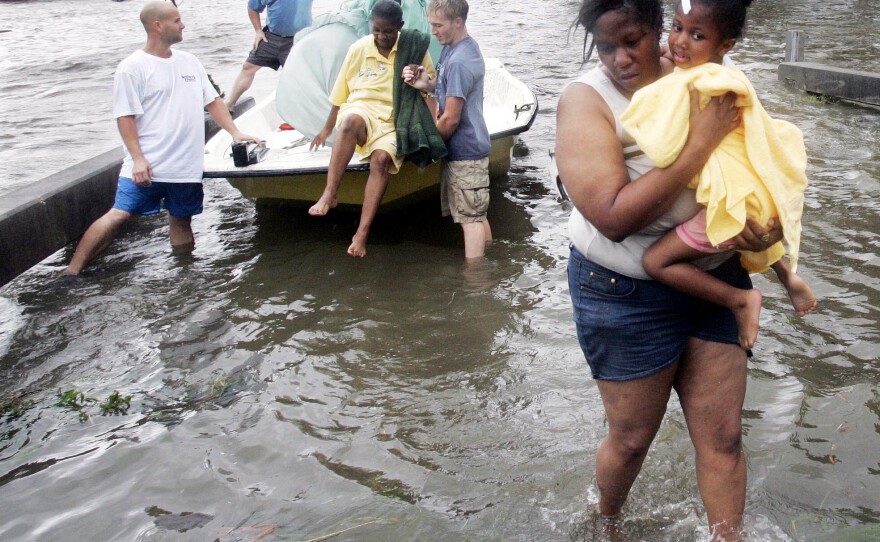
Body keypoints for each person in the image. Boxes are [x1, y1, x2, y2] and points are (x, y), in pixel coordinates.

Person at [555, 0, 783, 539]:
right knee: (632, 440)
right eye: (605, 46)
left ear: (657, 27)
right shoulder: (586, 100)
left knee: (724, 439)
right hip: (621, 289)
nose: (619, 58)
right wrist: (698, 144)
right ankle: (604, 525)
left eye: (631, 41)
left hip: (714, 276)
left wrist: (761, 226)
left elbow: (757, 159)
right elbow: (612, 217)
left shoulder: (698, 69)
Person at [630, 0, 816, 350]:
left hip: (737, 198)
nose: (681, 42)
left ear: (725, 45)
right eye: (676, 28)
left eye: (696, 35)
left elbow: (666, 144)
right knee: (752, 235)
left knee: (656, 261)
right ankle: (787, 274)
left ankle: (740, 300)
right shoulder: (721, 73)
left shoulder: (707, 83)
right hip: (754, 193)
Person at [60, 1, 259, 277]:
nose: (183, 25)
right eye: (177, 20)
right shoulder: (132, 67)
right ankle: (71, 272)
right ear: (158, 26)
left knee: (181, 221)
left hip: (185, 166)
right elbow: (125, 117)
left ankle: (185, 274)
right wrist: (138, 159)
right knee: (119, 214)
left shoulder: (190, 62)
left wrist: (235, 132)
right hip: (148, 164)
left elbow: (212, 101)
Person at [308, 0, 435, 258]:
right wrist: (325, 130)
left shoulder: (413, 49)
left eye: (387, 31)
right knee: (349, 122)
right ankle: (330, 193)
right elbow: (339, 94)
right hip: (362, 111)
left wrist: (432, 125)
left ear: (399, 27)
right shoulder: (358, 49)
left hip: (393, 118)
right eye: (376, 30)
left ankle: (362, 233)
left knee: (380, 160)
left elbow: (432, 89)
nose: (381, 36)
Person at [403, 0, 492, 259]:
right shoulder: (454, 48)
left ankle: (475, 280)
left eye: (438, 25)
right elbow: (448, 90)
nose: (433, 32)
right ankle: (489, 260)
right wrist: (427, 84)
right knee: (476, 214)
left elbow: (451, 118)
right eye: (432, 25)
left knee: (469, 220)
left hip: (466, 152)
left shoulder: (460, 61)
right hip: (469, 148)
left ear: (458, 22)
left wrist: (430, 147)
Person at [224, 0, 314, 111]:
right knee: (248, 67)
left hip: (297, 39)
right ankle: (229, 104)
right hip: (270, 37)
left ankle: (300, 111)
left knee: (297, 77)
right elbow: (252, 7)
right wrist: (258, 31)